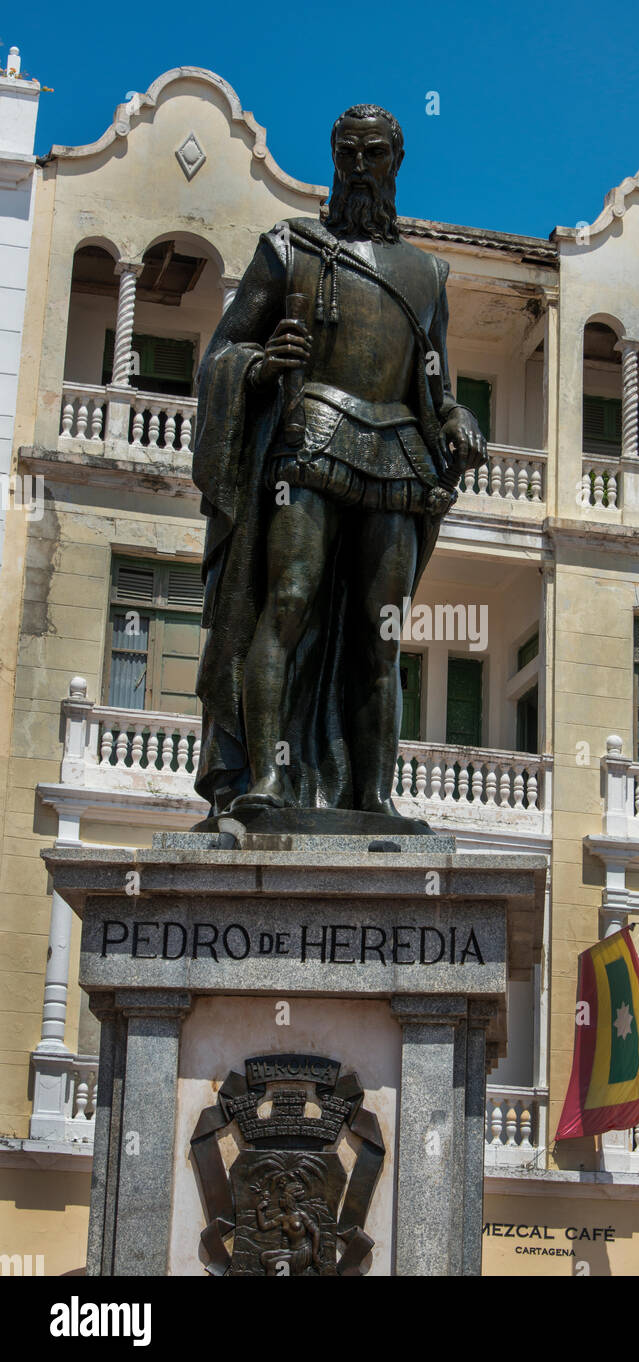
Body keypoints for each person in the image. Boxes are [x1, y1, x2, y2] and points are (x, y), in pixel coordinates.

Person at [192, 104, 486, 824]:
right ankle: (264, 777)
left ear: (396, 160)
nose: (360, 165)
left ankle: (373, 794)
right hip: (311, 436)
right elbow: (221, 356)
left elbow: (434, 383)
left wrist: (458, 416)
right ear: (333, 156)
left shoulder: (426, 273)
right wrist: (259, 366)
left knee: (380, 631)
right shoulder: (289, 248)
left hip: (396, 456)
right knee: (286, 601)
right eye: (348, 152)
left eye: (375, 153)